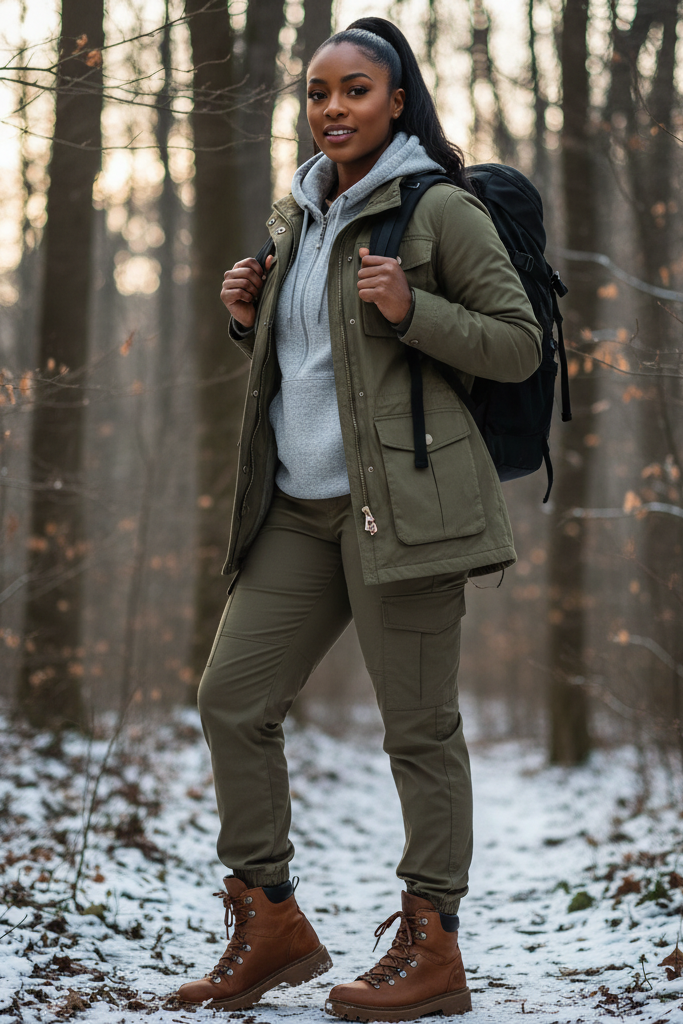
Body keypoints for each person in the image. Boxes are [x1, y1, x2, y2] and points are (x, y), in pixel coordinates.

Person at [175, 16, 541, 1021]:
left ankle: (433, 949)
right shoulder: (298, 214)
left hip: (403, 514)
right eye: (317, 92)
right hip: (295, 508)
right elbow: (310, 372)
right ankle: (272, 919)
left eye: (354, 91)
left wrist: (410, 310)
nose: (331, 108)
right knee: (229, 699)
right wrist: (247, 320)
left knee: (416, 731)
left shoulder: (437, 210)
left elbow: (514, 345)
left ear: (396, 100)